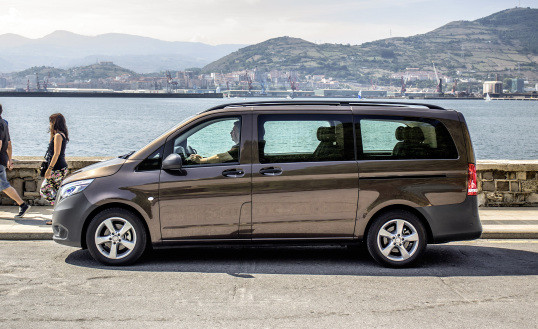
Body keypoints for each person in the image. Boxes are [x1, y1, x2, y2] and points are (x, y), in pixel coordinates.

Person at [0, 104, 31, 218]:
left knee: (4, 185)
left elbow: (0, 143)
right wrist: (9, 159)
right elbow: (8, 143)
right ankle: (22, 205)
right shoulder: (4, 123)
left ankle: (23, 205)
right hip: (3, 158)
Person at [40, 113, 69, 224]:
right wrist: (52, 132)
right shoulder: (60, 134)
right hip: (60, 168)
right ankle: (59, 217)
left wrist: (49, 169)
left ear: (54, 122)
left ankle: (60, 212)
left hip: (57, 169)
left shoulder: (58, 136)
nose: (49, 124)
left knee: (45, 190)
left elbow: (56, 154)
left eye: (51, 122)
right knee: (57, 193)